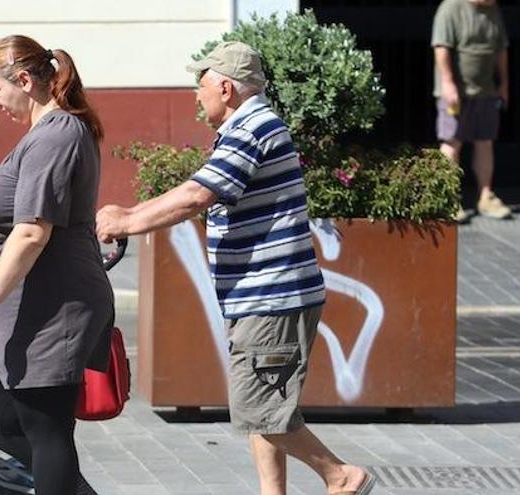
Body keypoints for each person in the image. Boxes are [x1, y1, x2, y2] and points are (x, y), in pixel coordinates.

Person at [96, 41, 375, 495]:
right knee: (267, 407)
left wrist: (128, 219)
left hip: (271, 296)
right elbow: (202, 191)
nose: (196, 94)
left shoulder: (253, 128)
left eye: (200, 84)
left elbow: (197, 194)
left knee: (258, 408)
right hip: (259, 296)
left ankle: (340, 475)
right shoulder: (247, 128)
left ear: (225, 87)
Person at [0, 35, 112, 495]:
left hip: (54, 309)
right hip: (28, 310)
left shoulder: (58, 135)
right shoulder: (44, 135)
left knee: (45, 432)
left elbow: (31, 231)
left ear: (24, 81)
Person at [432, 0, 511, 222]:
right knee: (452, 142)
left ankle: (486, 196)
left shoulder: (493, 9)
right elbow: (441, 48)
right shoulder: (450, 8)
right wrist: (448, 84)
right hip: (456, 91)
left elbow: (500, 49)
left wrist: (504, 83)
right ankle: (448, 199)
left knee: (485, 141)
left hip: (485, 90)